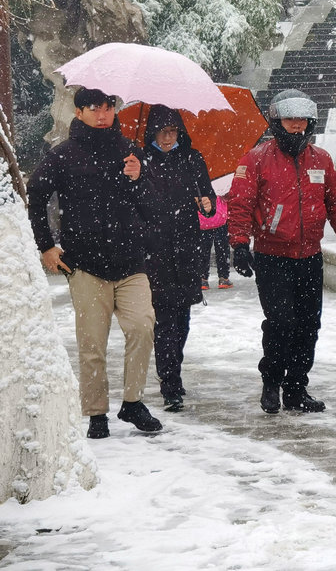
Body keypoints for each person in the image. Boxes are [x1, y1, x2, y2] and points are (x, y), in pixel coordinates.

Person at [27, 87, 162, 438]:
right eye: (94, 108)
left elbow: (151, 207)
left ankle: (133, 403)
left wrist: (139, 177)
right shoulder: (64, 155)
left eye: (108, 107)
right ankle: (96, 412)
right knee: (91, 343)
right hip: (85, 264)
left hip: (131, 261)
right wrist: (46, 245)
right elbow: (37, 195)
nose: (103, 114)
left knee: (143, 326)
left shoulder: (131, 152)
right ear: (79, 111)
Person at [228, 89, 336, 415]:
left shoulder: (321, 160)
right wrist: (239, 244)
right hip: (272, 257)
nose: (296, 125)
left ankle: (296, 387)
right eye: (290, 119)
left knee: (307, 325)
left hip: (309, 256)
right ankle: (271, 382)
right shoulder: (257, 159)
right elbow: (240, 203)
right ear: (277, 121)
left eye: (301, 119)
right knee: (280, 322)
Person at [139, 105, 216, 412]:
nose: (168, 137)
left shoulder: (192, 158)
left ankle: (175, 371)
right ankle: (169, 381)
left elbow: (207, 202)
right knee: (163, 319)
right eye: (162, 131)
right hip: (154, 250)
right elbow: (133, 200)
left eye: (173, 131)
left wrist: (207, 203)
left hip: (187, 248)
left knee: (182, 318)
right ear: (152, 132)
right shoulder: (141, 160)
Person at [199, 190, 232, 290]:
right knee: (222, 250)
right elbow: (228, 196)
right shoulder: (221, 183)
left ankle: (202, 279)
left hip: (202, 222)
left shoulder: (198, 180)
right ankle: (223, 278)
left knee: (203, 251)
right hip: (220, 219)